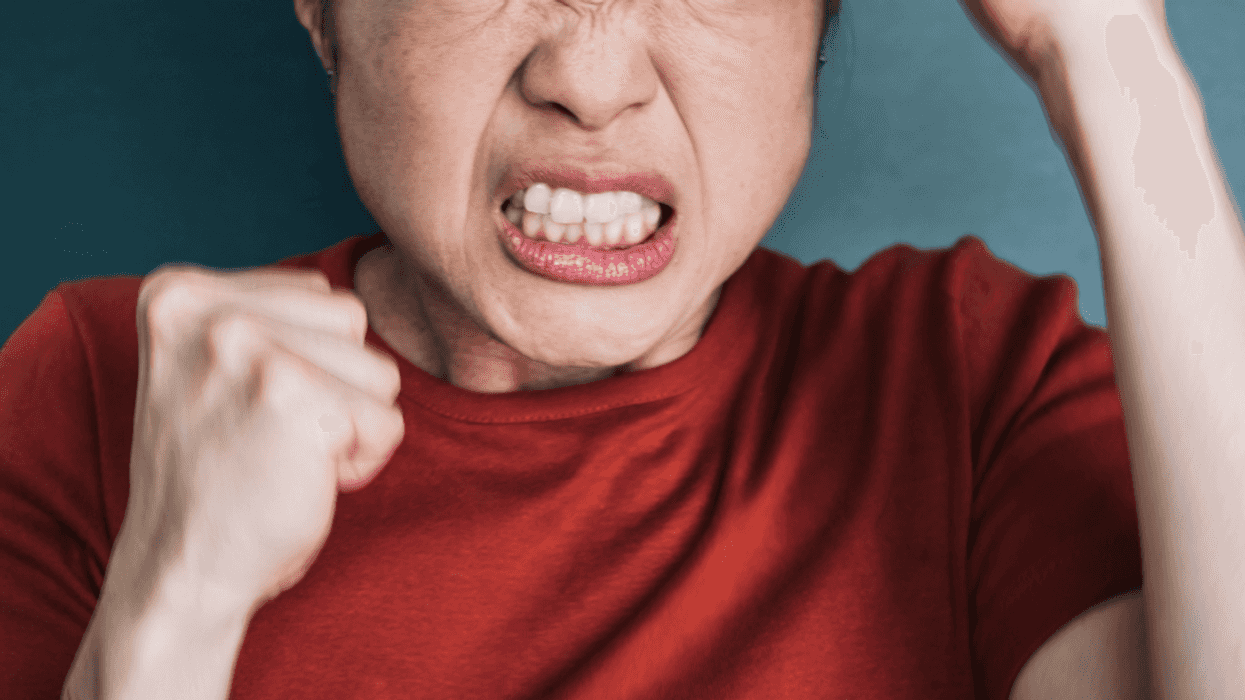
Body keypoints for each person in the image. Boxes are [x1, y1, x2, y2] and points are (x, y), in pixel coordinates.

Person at [9, 0, 1241, 698]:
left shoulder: (969, 386)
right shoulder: (102, 392)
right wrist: (171, 616)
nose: (590, 81)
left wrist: (1109, 56)